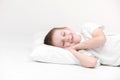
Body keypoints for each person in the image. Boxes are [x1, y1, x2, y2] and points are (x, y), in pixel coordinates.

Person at [44, 23, 120, 68]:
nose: (67, 38)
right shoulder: (81, 52)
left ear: (67, 28)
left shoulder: (86, 28)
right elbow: (92, 63)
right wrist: (72, 51)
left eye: (63, 34)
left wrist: (75, 47)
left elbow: (101, 40)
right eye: (63, 43)